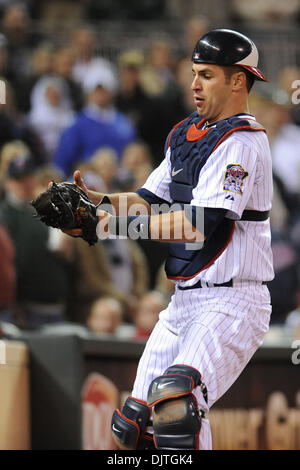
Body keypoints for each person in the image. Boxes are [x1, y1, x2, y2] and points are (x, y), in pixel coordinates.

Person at [63, 29, 274, 450]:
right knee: (133, 426)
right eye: (194, 73)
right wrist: (98, 203)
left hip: (232, 301)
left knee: (178, 408)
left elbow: (196, 226)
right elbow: (147, 199)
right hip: (184, 301)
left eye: (208, 75)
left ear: (238, 80)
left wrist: (105, 224)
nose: (194, 84)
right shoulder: (186, 134)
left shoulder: (243, 143)